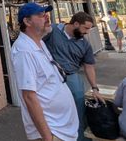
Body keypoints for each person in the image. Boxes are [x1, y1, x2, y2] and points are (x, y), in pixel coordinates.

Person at [11, 2, 78, 141]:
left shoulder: (40, 43)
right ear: (27, 21)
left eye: (46, 14)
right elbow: (29, 96)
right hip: (51, 131)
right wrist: (48, 137)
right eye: (41, 15)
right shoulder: (24, 51)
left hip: (62, 128)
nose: (47, 18)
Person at [44, 12, 103, 141]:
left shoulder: (84, 44)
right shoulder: (53, 31)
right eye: (85, 28)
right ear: (75, 24)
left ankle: (79, 137)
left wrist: (95, 88)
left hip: (71, 77)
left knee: (78, 109)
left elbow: (89, 66)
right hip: (50, 78)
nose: (87, 32)